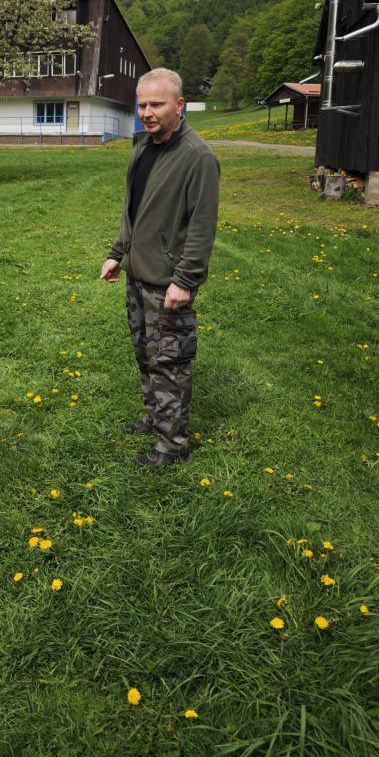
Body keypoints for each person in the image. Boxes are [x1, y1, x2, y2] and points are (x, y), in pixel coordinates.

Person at [100, 68, 220, 469]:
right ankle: (155, 420)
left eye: (157, 104)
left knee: (170, 362)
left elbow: (202, 227)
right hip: (138, 275)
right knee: (145, 355)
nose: (147, 113)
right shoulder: (142, 148)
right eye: (142, 105)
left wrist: (185, 281)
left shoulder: (198, 157)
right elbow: (132, 211)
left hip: (169, 283)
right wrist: (118, 252)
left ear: (180, 105)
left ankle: (172, 446)